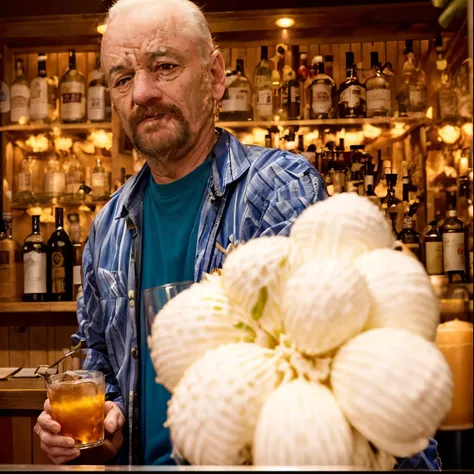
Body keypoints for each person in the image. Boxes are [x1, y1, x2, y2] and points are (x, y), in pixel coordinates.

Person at [34, 0, 441, 469]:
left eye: (163, 66)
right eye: (122, 78)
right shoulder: (107, 225)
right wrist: (105, 427)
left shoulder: (279, 189)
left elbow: (332, 362)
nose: (142, 92)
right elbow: (100, 364)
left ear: (214, 77)